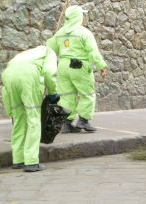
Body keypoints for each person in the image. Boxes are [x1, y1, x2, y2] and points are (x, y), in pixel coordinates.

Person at [47, 5, 107, 133]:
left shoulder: (60, 32)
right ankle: (83, 121)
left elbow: (51, 49)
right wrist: (101, 66)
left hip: (62, 66)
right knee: (87, 93)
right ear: (78, 17)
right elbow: (93, 52)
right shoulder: (84, 33)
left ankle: (67, 123)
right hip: (79, 66)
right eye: (82, 15)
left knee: (67, 94)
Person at [1, 46, 59, 172]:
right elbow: (49, 72)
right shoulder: (49, 52)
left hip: (8, 76)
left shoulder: (23, 54)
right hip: (28, 76)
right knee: (33, 119)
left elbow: (5, 91)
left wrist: (10, 110)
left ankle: (18, 159)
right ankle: (31, 161)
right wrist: (53, 92)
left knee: (18, 120)